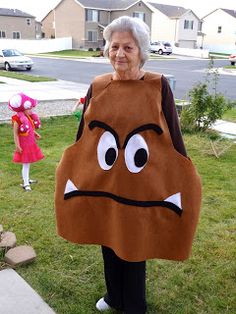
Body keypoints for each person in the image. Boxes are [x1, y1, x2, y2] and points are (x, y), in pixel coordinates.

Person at [55, 16, 201, 314]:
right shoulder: (98, 85)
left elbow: (172, 135)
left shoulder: (158, 86)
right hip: (105, 181)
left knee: (134, 245)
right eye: (115, 46)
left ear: (141, 51)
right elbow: (86, 135)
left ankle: (135, 304)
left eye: (128, 47)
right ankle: (114, 296)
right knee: (107, 238)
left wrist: (182, 175)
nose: (119, 53)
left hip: (139, 184)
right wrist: (76, 166)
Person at [9, 92, 44, 191]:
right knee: (26, 163)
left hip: (30, 143)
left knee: (28, 163)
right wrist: (17, 145)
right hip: (23, 145)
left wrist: (35, 133)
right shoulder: (17, 119)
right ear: (22, 109)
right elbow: (15, 134)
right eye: (29, 108)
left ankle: (27, 179)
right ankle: (25, 183)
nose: (31, 110)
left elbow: (30, 128)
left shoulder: (27, 117)